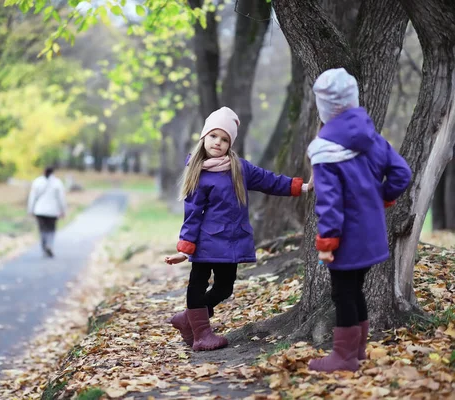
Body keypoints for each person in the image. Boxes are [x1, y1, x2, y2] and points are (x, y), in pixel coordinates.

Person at [164, 106, 312, 352]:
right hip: (205, 241)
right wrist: (185, 248)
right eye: (213, 136)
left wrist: (302, 187)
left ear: (230, 143)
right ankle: (201, 335)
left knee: (225, 287)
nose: (218, 142)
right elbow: (192, 214)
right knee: (197, 285)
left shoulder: (239, 168)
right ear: (204, 137)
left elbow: (269, 181)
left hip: (231, 241)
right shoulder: (198, 173)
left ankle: (188, 319)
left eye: (224, 139)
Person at [306, 68, 411, 372]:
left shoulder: (325, 149)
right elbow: (402, 173)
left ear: (323, 106)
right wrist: (385, 197)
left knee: (343, 293)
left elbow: (329, 202)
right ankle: (358, 351)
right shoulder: (372, 137)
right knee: (356, 290)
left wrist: (326, 242)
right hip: (372, 233)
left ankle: (344, 357)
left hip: (345, 237)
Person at [27, 166, 67, 258]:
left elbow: (32, 197)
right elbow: (61, 199)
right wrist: (63, 210)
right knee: (51, 229)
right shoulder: (57, 182)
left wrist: (30, 209)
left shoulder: (37, 182)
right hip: (53, 211)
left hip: (39, 210)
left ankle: (44, 246)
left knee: (42, 229)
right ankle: (49, 244)